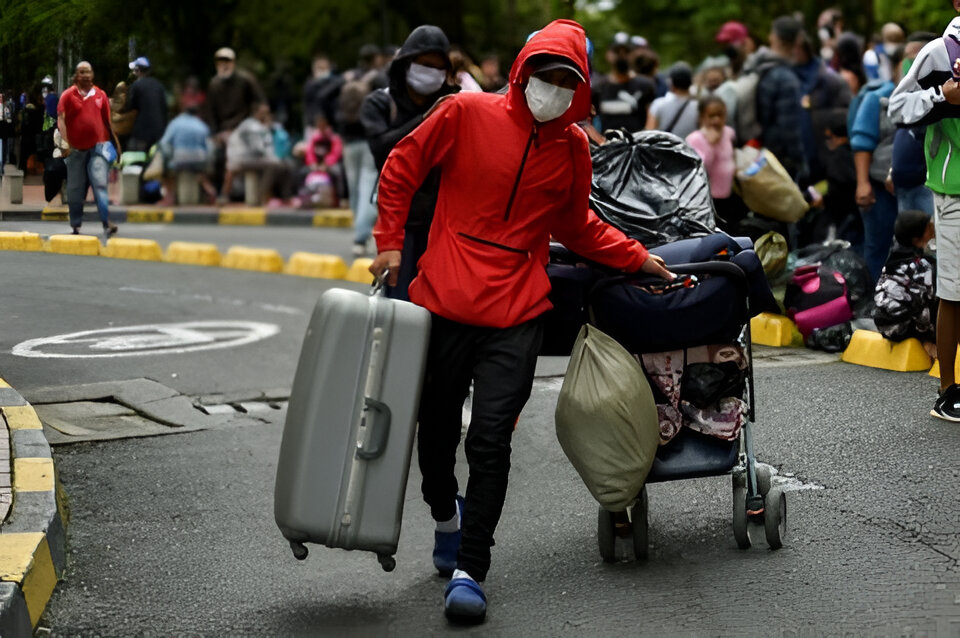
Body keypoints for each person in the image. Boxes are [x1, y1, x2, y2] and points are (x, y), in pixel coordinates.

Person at [369, 19, 673, 624]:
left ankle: (471, 569)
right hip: (445, 299)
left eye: (567, 80)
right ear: (522, 71)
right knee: (435, 434)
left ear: (579, 90)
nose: (553, 87)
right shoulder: (463, 112)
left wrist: (637, 257)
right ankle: (446, 517)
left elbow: (576, 225)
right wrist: (388, 243)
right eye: (545, 73)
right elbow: (402, 166)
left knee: (490, 439)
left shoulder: (574, 147)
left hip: (517, 310)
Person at [888, 0, 960, 421]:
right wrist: (941, 95)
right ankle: (948, 391)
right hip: (954, 190)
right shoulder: (939, 52)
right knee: (954, 291)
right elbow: (897, 107)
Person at [360, 24, 459, 301]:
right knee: (400, 302)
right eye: (424, 64)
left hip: (442, 222)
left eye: (438, 67)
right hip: (398, 221)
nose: (431, 72)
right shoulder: (380, 103)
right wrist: (430, 118)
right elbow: (382, 149)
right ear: (406, 63)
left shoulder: (455, 105)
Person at [850, 45, 904, 283]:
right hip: (880, 189)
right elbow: (862, 142)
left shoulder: (937, 98)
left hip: (918, 189)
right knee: (879, 247)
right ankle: (876, 298)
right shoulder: (878, 99)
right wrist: (862, 183)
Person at [57, 61, 120, 238]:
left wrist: (117, 144)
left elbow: (108, 121)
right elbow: (61, 119)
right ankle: (75, 224)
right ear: (76, 75)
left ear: (93, 75)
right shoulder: (68, 95)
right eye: (82, 72)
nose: (85, 75)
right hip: (75, 150)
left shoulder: (101, 95)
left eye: (88, 72)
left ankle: (106, 222)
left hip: (98, 148)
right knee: (75, 190)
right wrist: (65, 143)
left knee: (100, 184)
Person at [338, 44, 388, 256]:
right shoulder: (379, 78)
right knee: (368, 186)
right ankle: (361, 235)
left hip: (348, 140)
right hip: (369, 139)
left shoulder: (349, 77)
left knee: (354, 188)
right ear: (376, 58)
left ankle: (359, 231)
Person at [873, 210, 937, 358]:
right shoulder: (921, 266)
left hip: (883, 324)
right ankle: (928, 343)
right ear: (916, 239)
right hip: (902, 328)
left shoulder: (894, 257)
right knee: (939, 299)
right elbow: (923, 303)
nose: (933, 228)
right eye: (929, 227)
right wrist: (929, 337)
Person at [205, 47, 265, 199]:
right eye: (220, 61)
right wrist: (216, 134)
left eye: (227, 61)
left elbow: (260, 103)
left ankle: (229, 194)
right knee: (212, 157)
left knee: (237, 155)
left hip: (244, 127)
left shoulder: (246, 80)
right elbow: (211, 113)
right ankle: (217, 193)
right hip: (222, 131)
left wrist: (250, 124)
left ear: (233, 63)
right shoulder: (214, 84)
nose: (224, 65)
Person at [685, 96, 742, 230]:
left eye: (720, 115)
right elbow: (700, 169)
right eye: (711, 116)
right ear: (701, 117)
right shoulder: (694, 139)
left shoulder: (729, 133)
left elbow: (731, 157)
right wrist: (710, 145)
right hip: (708, 201)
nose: (716, 120)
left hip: (729, 196)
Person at [224, 103, 292, 206]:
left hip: (253, 159)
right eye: (263, 113)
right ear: (256, 113)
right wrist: (273, 158)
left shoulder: (262, 126)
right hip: (241, 159)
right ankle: (260, 197)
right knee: (274, 165)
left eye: (267, 113)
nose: (266, 115)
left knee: (286, 165)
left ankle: (285, 197)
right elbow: (258, 149)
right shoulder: (251, 126)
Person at [592, 34, 655, 133]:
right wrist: (600, 140)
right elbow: (588, 121)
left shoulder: (645, 85)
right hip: (608, 142)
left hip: (637, 141)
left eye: (626, 52)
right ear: (608, 55)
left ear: (633, 54)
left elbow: (652, 119)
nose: (622, 56)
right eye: (617, 51)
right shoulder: (598, 87)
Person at [157, 103, 216, 205]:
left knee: (169, 172)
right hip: (199, 159)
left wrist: (169, 158)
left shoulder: (176, 123)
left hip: (180, 159)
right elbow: (210, 146)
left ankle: (169, 197)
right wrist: (208, 164)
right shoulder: (201, 125)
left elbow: (164, 143)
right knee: (201, 174)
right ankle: (210, 191)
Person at [122, 56, 167, 153]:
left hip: (142, 133)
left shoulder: (136, 85)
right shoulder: (159, 85)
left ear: (137, 70)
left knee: (134, 154)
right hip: (160, 132)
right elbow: (164, 109)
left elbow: (129, 107)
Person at [649, 62, 698, 139]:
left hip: (666, 145)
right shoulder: (699, 107)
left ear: (671, 83)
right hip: (689, 146)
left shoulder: (658, 104)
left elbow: (649, 132)